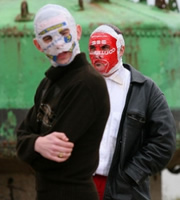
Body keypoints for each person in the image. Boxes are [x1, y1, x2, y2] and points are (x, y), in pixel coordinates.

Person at [16, 4, 110, 200]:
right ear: (38, 45)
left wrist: (30, 145)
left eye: (64, 33)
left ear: (77, 32)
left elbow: (52, 160)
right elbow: (21, 137)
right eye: (48, 38)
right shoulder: (48, 83)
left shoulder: (87, 84)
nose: (58, 44)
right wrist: (37, 143)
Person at [88, 24, 176, 200]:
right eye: (93, 48)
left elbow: (164, 141)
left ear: (121, 49)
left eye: (105, 47)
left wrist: (130, 175)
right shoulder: (80, 86)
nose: (98, 53)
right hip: (83, 186)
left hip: (124, 190)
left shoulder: (146, 90)